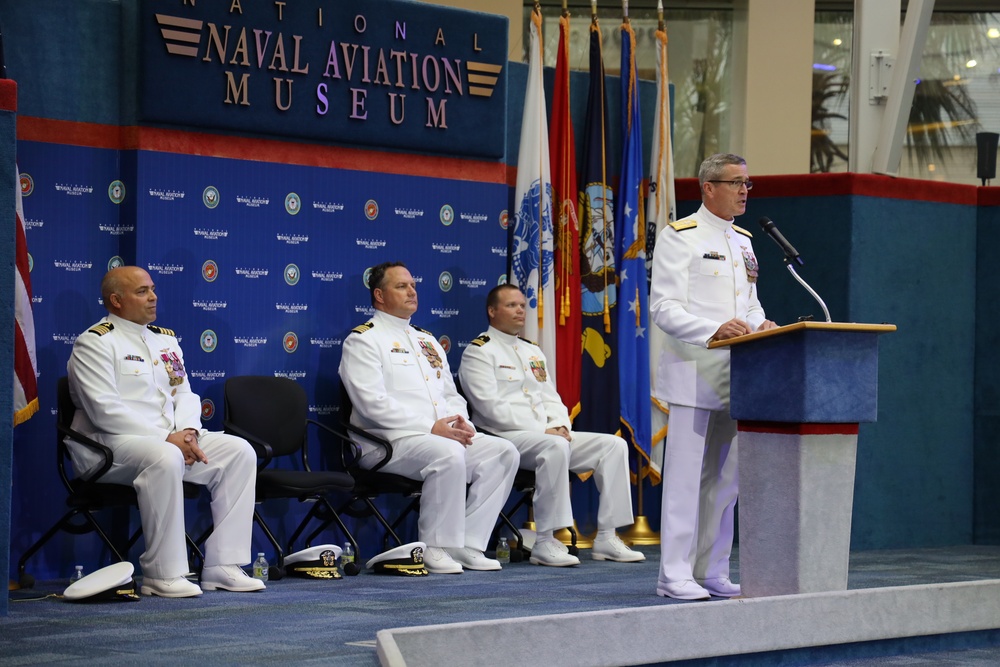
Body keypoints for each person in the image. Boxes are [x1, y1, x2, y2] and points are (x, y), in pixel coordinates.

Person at [66, 266, 264, 598]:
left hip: (170, 441)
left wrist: (188, 431)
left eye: (153, 289)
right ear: (116, 300)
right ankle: (162, 573)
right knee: (166, 455)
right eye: (142, 291)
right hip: (107, 447)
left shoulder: (164, 339)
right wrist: (167, 439)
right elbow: (104, 410)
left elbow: (184, 393)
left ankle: (223, 566)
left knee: (239, 451)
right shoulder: (95, 343)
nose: (153, 296)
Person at [649, 153, 778, 601]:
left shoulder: (743, 239)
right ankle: (673, 574)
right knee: (685, 477)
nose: (745, 190)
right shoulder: (679, 236)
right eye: (736, 182)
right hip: (693, 371)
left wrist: (762, 324)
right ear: (708, 187)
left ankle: (712, 569)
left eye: (748, 183)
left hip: (739, 373)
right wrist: (712, 331)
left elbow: (751, 303)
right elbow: (663, 308)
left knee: (726, 479)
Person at [338, 261, 520, 574]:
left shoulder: (426, 340)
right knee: (447, 453)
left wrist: (460, 423)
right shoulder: (364, 340)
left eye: (413, 285)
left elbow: (451, 394)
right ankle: (435, 547)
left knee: (503, 452)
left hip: (438, 435)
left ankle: (469, 544)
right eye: (401, 286)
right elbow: (371, 403)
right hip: (386, 442)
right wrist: (431, 427)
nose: (412, 291)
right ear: (379, 296)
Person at [459, 284, 644, 567]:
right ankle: (545, 540)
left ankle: (607, 536)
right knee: (554, 445)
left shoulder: (532, 350)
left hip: (545, 435)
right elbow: (490, 408)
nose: (520, 310)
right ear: (492, 311)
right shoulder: (479, 352)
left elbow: (551, 397)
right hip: (505, 437)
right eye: (511, 305)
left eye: (522, 305)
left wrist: (559, 424)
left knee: (613, 445)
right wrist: (543, 431)